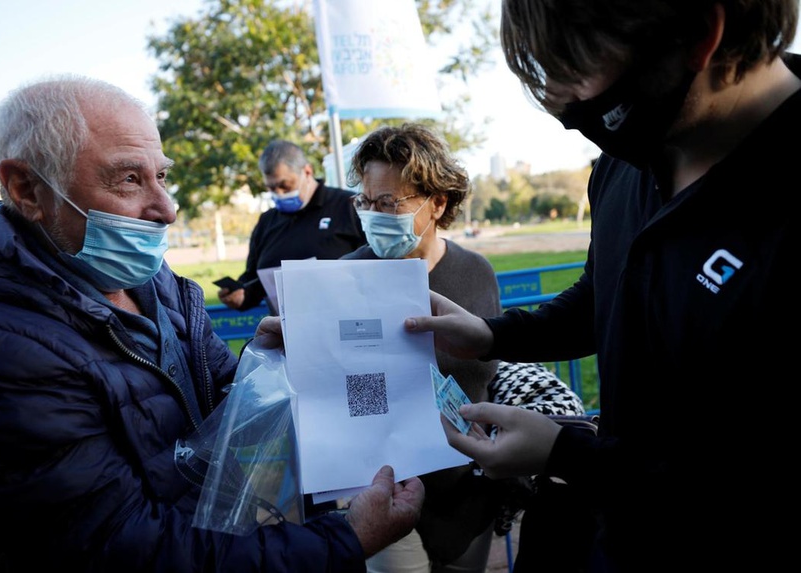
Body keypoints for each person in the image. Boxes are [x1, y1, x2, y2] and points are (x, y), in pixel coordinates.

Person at [0, 75, 423, 572]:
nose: (167, 210)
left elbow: (216, 410)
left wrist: (262, 359)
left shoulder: (147, 279)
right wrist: (345, 539)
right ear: (28, 189)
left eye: (162, 176)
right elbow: (127, 550)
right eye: (129, 179)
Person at [402, 1, 800, 572]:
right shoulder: (623, 162)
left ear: (699, 34)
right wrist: (490, 335)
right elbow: (602, 297)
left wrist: (566, 453)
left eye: (579, 72)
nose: (564, 108)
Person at [341, 123, 585, 573]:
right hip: (385, 484)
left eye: (389, 203)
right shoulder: (345, 276)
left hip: (468, 485)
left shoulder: (475, 271)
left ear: (437, 203)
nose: (373, 215)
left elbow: (485, 371)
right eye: (366, 202)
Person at [217, 139, 366, 314]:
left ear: (307, 171)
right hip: (284, 326)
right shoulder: (267, 221)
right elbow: (253, 279)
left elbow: (373, 264)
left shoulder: (349, 206)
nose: (279, 193)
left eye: (285, 185)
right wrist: (241, 296)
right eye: (271, 188)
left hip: (345, 318)